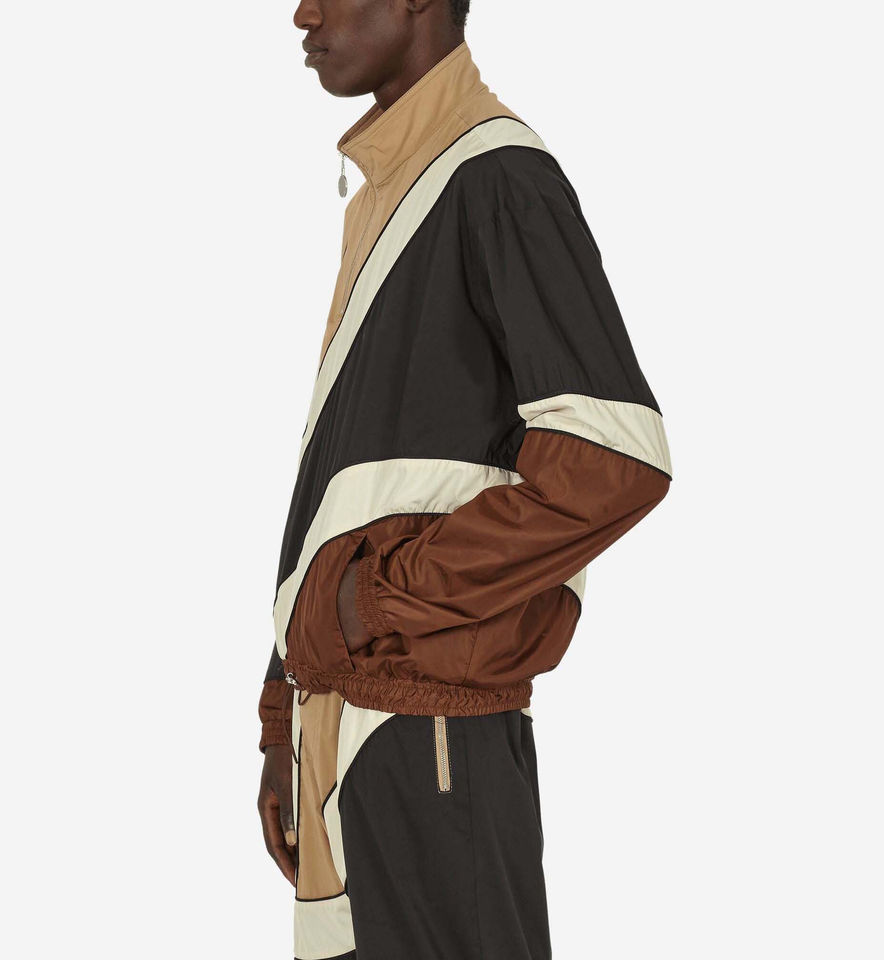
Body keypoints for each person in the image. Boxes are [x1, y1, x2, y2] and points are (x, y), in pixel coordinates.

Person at [257, 2, 672, 957]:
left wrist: (375, 604)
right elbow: (348, 491)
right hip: (346, 727)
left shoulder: (497, 178)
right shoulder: (393, 187)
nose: (301, 12)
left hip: (430, 734)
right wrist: (284, 715)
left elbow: (615, 456)